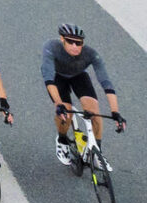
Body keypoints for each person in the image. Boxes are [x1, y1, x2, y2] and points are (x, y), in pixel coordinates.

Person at [43, 24, 123, 168]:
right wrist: (58, 104)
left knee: (94, 112)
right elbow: (48, 78)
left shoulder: (90, 54)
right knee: (65, 111)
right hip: (56, 77)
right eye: (70, 41)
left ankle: (97, 151)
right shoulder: (52, 47)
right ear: (62, 39)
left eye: (78, 42)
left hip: (78, 76)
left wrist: (115, 112)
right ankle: (62, 141)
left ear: (83, 43)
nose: (75, 46)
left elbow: (106, 83)